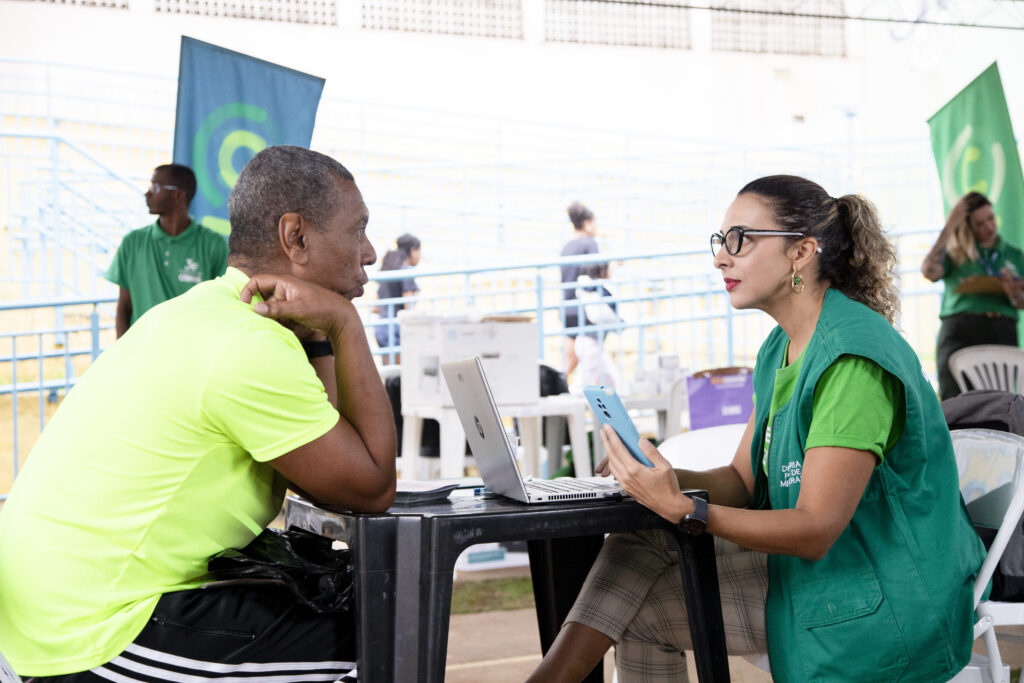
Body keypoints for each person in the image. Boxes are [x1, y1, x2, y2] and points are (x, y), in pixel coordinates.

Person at [529, 175, 985, 682]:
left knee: (641, 610)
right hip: (838, 566)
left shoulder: (850, 361)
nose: (721, 258)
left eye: (740, 239)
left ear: (801, 253)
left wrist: (686, 509)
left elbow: (815, 529)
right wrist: (662, 476)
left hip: (886, 593)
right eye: (720, 241)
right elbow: (741, 481)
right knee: (638, 543)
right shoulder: (781, 347)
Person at [0, 146, 396, 680]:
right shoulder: (248, 346)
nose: (369, 252)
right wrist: (346, 323)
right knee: (381, 630)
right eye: (358, 230)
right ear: (296, 237)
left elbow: (330, 475)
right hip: (90, 632)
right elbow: (370, 487)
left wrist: (322, 336)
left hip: (47, 614)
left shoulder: (201, 313)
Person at [106, 163, 229, 338]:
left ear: (178, 194)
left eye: (155, 187)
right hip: (143, 349)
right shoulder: (132, 242)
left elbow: (222, 305)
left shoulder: (213, 245)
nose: (147, 193)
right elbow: (124, 305)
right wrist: (121, 348)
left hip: (193, 348)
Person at [921, 191, 1024, 400]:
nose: (988, 227)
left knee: (1001, 402)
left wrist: (1014, 295)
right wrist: (950, 226)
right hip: (960, 330)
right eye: (979, 224)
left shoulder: (1014, 255)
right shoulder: (955, 253)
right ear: (968, 227)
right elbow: (929, 271)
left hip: (1001, 329)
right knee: (956, 402)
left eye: (991, 219)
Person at [560, 201, 600, 378]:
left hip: (567, 306)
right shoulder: (590, 244)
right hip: (584, 309)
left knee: (570, 360)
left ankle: (556, 386)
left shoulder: (567, 247)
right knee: (590, 356)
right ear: (587, 223)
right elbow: (594, 273)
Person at [570, 262, 621, 393]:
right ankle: (570, 405)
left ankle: (615, 403)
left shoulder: (586, 288)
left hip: (592, 341)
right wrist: (619, 323)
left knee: (610, 380)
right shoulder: (596, 289)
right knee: (583, 384)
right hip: (590, 342)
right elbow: (604, 315)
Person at [374, 232, 421, 363]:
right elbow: (408, 306)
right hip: (396, 330)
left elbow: (375, 307)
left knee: (390, 371)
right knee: (402, 371)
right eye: (419, 252)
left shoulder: (387, 270)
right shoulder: (406, 272)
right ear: (413, 250)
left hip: (381, 328)